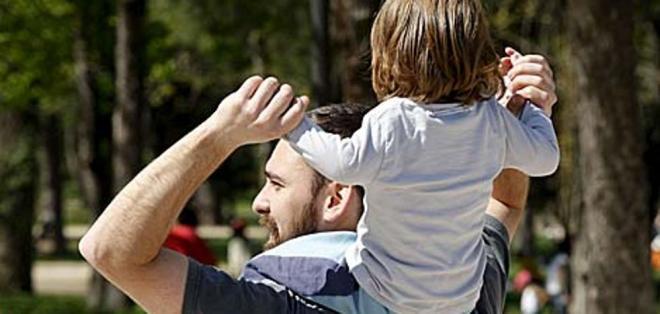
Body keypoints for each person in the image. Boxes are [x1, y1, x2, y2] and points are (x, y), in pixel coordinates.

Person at [79, 49, 558, 313]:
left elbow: (110, 252)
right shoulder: (468, 286)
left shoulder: (282, 302)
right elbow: (505, 206)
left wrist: (217, 135)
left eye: (277, 184)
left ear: (337, 195)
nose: (259, 203)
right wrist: (518, 115)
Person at [285, 1, 559, 312]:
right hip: (460, 299)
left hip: (383, 292)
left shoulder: (393, 118)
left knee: (285, 269)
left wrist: (295, 124)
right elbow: (545, 158)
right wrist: (533, 110)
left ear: (388, 52)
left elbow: (343, 164)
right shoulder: (490, 120)